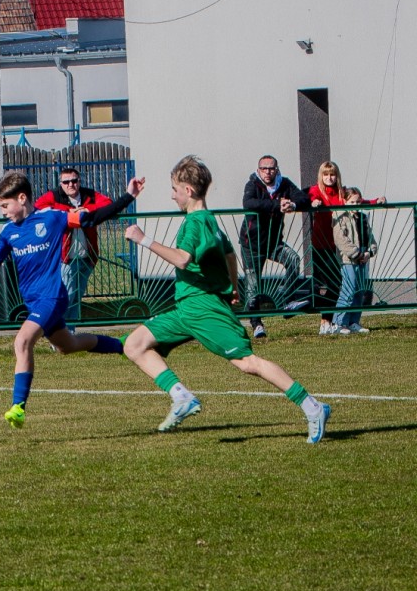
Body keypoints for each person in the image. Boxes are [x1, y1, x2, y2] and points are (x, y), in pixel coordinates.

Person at [121, 155, 331, 443]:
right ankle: (181, 397)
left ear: (188, 191)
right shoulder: (210, 220)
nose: (172, 195)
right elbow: (231, 256)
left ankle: (312, 406)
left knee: (248, 363)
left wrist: (143, 239)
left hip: (204, 309)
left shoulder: (195, 223)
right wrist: (233, 288)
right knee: (134, 344)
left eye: (174, 189)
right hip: (187, 309)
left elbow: (182, 259)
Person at [0, 170, 139, 428]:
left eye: (5, 205)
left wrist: (128, 196)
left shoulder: (53, 218)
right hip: (34, 302)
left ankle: (18, 408)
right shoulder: (8, 232)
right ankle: (123, 345)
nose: (3, 211)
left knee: (22, 342)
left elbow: (93, 217)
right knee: (68, 345)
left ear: (22, 198)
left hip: (52, 297)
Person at [306, 161, 386, 335]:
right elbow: (308, 197)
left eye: (332, 174)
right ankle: (330, 321)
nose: (329, 178)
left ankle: (350, 321)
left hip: (342, 246)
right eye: (326, 174)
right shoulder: (316, 190)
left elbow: (358, 201)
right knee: (333, 284)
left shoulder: (342, 193)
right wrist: (313, 202)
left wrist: (375, 201)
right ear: (321, 176)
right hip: (324, 243)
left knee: (351, 287)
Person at [32, 166, 121, 317]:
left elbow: (108, 203)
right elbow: (38, 207)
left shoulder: (89, 195)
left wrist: (87, 210)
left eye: (74, 181)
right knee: (67, 297)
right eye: (66, 182)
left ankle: (70, 329)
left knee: (76, 298)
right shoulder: (54, 195)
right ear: (61, 183)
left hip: (87, 257)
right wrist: (68, 212)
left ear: (79, 181)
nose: (70, 185)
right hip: (65, 259)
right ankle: (60, 328)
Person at [238, 155, 310, 339]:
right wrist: (277, 204)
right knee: (253, 287)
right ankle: (257, 324)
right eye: (264, 168)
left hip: (274, 243)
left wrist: (292, 204)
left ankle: (287, 298)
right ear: (259, 170)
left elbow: (303, 197)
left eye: (271, 168)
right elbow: (249, 203)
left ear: (277, 170)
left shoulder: (284, 184)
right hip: (251, 244)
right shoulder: (252, 184)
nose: (268, 172)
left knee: (293, 260)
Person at [331, 186, 378, 334]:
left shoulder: (362, 217)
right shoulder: (339, 216)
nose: (355, 205)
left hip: (363, 257)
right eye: (352, 202)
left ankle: (354, 321)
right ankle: (339, 322)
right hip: (348, 259)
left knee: (359, 290)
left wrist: (369, 252)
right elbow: (341, 240)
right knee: (349, 289)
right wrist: (357, 254)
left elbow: (371, 238)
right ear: (345, 201)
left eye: (358, 202)